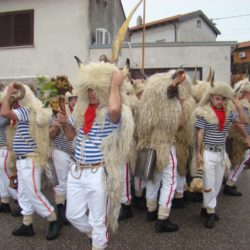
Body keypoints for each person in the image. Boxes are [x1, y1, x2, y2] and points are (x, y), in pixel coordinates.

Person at [58, 60, 134, 250]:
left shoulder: (111, 111)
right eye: (89, 89)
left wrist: (115, 84)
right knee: (72, 215)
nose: (92, 93)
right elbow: (70, 136)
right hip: (77, 170)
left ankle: (99, 241)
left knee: (98, 218)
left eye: (96, 89)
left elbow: (115, 109)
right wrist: (64, 123)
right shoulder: (80, 109)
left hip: (99, 172)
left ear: (104, 89)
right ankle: (95, 233)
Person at [0, 83, 62, 240]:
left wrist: (7, 94)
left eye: (15, 97)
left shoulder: (27, 111)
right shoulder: (29, 111)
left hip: (30, 159)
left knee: (33, 192)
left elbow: (4, 112)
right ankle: (27, 224)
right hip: (22, 160)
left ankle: (53, 218)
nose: (13, 100)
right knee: (23, 194)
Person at [194, 80, 250, 228]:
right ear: (211, 97)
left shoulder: (228, 112)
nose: (220, 101)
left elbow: (243, 121)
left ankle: (205, 208)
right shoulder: (203, 112)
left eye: (222, 98)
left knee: (218, 184)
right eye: (217, 98)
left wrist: (237, 103)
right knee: (209, 183)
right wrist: (198, 154)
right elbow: (200, 134)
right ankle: (211, 212)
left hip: (221, 153)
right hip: (208, 152)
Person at [136, 69, 186, 233]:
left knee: (153, 178)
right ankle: (162, 218)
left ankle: (151, 211)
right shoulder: (170, 107)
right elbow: (179, 125)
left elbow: (142, 128)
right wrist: (182, 105)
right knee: (169, 182)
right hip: (165, 146)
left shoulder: (146, 106)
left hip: (150, 145)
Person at [225, 78, 250, 196]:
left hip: (241, 137)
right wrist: (246, 137)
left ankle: (230, 181)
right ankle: (230, 183)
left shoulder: (244, 104)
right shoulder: (244, 105)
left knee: (238, 160)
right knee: (241, 160)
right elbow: (241, 123)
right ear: (246, 92)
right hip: (241, 138)